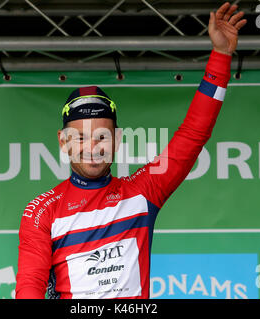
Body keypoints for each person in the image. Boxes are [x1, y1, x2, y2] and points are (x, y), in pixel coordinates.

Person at [16, 2, 247, 299]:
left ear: (118, 140)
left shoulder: (142, 191)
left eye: (102, 136)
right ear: (63, 141)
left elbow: (194, 135)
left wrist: (221, 56)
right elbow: (29, 286)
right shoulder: (41, 211)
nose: (92, 148)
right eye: (81, 137)